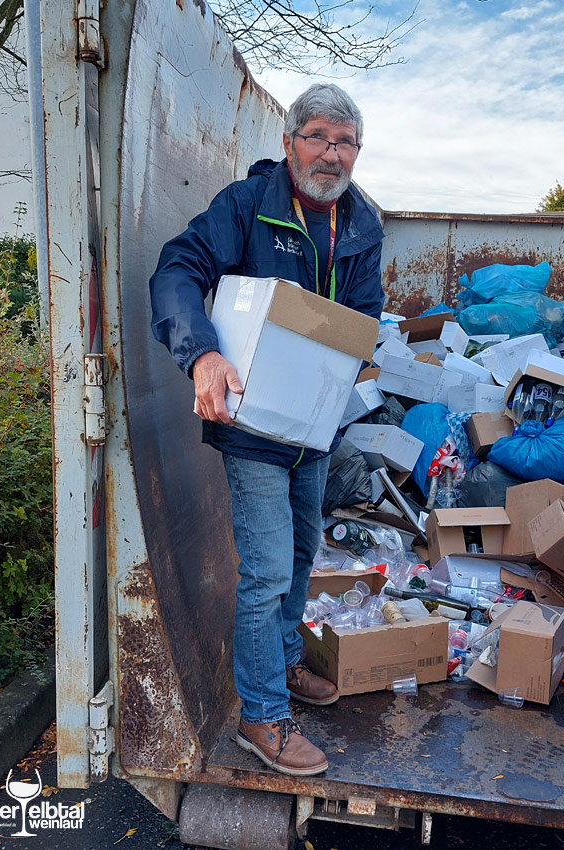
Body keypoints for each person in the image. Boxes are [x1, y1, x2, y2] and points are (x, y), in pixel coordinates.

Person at [149, 83, 384, 776]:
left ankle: (281, 663)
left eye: (345, 142)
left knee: (304, 552)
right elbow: (177, 270)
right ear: (288, 143)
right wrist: (202, 354)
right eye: (317, 137)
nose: (331, 154)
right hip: (253, 424)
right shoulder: (247, 206)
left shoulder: (362, 225)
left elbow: (364, 315)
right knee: (268, 569)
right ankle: (261, 715)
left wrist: (348, 366)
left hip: (312, 427)